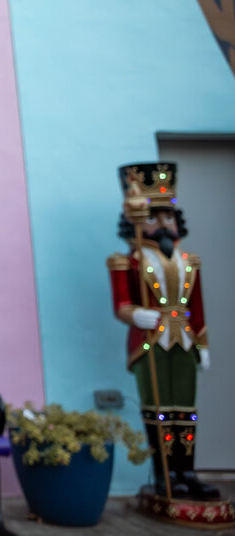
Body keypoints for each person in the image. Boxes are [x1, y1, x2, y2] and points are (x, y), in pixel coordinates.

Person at [108, 162, 217, 501]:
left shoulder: (188, 261)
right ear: (137, 221)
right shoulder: (128, 261)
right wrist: (134, 314)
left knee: (184, 409)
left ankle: (186, 471)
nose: (163, 226)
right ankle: (164, 474)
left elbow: (195, 304)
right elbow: (122, 303)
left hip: (184, 339)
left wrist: (203, 339)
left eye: (167, 218)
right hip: (150, 342)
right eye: (153, 219)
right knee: (158, 409)